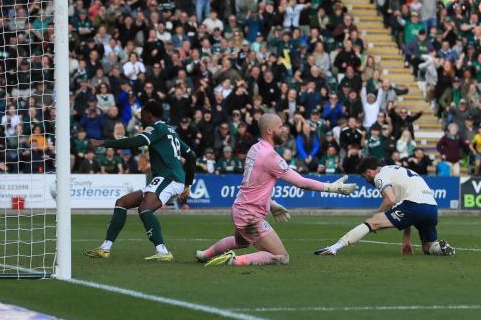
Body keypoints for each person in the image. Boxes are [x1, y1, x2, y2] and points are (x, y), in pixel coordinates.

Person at [196, 113, 356, 267]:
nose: (284, 129)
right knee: (282, 257)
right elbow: (301, 182)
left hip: (239, 208)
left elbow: (255, 183)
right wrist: (334, 188)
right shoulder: (270, 156)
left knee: (241, 241)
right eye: (281, 126)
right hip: (250, 216)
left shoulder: (255, 148)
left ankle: (205, 254)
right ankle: (233, 260)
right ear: (270, 131)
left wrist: (271, 204)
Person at [84, 101, 196, 261]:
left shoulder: (156, 127)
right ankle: (105, 248)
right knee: (122, 202)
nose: (140, 117)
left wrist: (104, 143)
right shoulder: (171, 131)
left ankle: (163, 251)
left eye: (142, 114)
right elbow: (191, 156)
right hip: (167, 178)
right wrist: (187, 185)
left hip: (168, 177)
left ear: (149, 114)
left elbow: (136, 142)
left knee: (145, 208)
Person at [315, 157, 455, 257]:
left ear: (369, 172)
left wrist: (378, 214)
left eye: (364, 177)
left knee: (371, 223)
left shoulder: (379, 176)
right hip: (431, 207)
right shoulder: (397, 170)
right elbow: (403, 206)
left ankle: (334, 248)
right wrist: (406, 239)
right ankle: (441, 248)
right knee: (428, 247)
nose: (366, 180)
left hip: (414, 205)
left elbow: (391, 199)